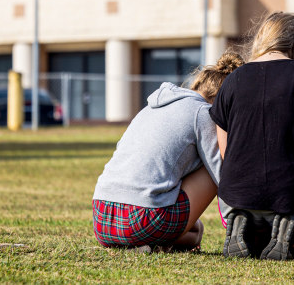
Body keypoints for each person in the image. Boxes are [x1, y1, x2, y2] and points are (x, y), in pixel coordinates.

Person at [210, 12, 294, 260]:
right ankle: (290, 235)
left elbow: (225, 151)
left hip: (235, 198)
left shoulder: (232, 80)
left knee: (259, 243)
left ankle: (248, 227)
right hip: (293, 195)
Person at [92, 51, 244, 252]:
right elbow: (224, 178)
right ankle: (148, 242)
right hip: (142, 218)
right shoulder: (204, 113)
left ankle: (143, 244)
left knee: (195, 233)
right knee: (217, 168)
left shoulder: (150, 108)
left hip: (102, 219)